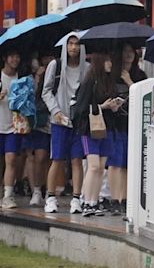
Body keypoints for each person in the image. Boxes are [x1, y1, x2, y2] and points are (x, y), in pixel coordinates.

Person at [42, 33, 89, 214]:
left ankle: (76, 198)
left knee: (77, 160)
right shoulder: (56, 65)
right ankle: (51, 197)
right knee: (57, 159)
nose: (74, 48)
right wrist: (56, 111)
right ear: (65, 46)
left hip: (79, 121)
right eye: (70, 44)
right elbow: (46, 92)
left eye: (77, 44)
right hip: (59, 120)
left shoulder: (87, 68)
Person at [71, 52, 120, 217]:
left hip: (106, 129)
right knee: (93, 166)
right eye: (107, 60)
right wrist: (102, 107)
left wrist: (114, 106)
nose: (110, 63)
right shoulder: (89, 82)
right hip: (89, 130)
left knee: (101, 168)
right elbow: (80, 109)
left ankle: (94, 201)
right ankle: (86, 201)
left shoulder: (109, 83)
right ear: (99, 62)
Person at [108, 43, 147, 215]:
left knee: (126, 164)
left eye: (132, 52)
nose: (129, 55)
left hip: (132, 124)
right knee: (115, 163)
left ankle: (124, 199)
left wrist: (130, 82)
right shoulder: (112, 76)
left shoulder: (140, 75)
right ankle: (114, 199)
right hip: (115, 124)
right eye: (125, 51)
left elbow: (144, 97)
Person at [22, 51, 55, 206]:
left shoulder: (58, 73)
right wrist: (38, 77)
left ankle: (50, 191)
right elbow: (31, 98)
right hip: (40, 120)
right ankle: (36, 190)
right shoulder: (34, 76)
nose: (48, 60)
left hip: (56, 119)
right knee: (40, 156)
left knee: (53, 158)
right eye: (46, 58)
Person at [0, 49, 22, 208]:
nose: (15, 59)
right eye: (12, 55)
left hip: (14, 126)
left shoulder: (21, 78)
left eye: (17, 55)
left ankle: (8, 195)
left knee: (11, 159)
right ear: (5, 58)